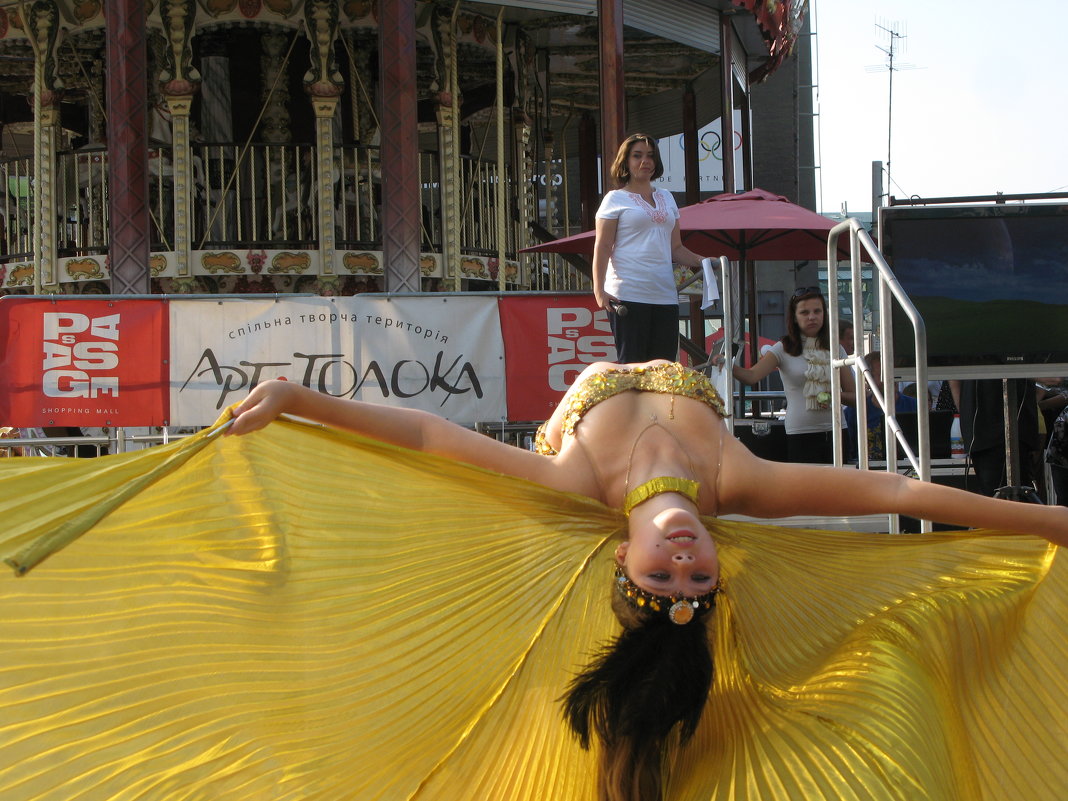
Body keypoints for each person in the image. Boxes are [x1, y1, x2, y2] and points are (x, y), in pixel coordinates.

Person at [222, 362, 1066, 801]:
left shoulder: (575, 483)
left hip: (594, 387)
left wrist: (301, 399)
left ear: (620, 561)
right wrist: (1052, 524)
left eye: (663, 571)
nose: (688, 553)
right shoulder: (736, 481)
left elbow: (432, 435)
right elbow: (897, 494)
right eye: (700, 573)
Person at [592, 134, 706, 363]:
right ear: (625, 161)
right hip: (628, 293)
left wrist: (705, 261)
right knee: (633, 368)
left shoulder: (667, 197)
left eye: (650, 156)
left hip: (665, 295)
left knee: (662, 370)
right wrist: (599, 289)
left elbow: (676, 248)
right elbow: (603, 247)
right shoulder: (614, 199)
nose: (645, 161)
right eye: (637, 155)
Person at [726, 287, 855, 463]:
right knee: (804, 489)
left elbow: (855, 396)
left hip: (837, 431)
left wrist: (834, 396)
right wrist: (727, 364)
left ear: (824, 314)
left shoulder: (835, 347)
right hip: (799, 433)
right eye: (804, 312)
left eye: (817, 311)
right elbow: (751, 376)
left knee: (839, 488)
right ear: (794, 317)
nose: (812, 317)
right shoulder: (783, 348)